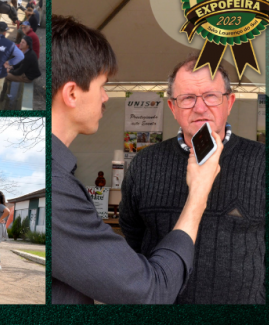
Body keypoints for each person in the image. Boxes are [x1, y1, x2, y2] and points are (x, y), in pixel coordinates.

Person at [51, 15, 223, 304]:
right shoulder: (57, 186)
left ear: (229, 101)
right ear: (71, 93)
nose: (106, 98)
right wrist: (198, 195)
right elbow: (148, 288)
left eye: (211, 97)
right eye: (103, 86)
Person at [119, 56, 265, 304]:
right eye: (187, 98)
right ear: (173, 107)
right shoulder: (144, 164)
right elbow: (133, 235)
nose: (199, 107)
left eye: (211, 96)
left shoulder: (264, 162)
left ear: (229, 102)